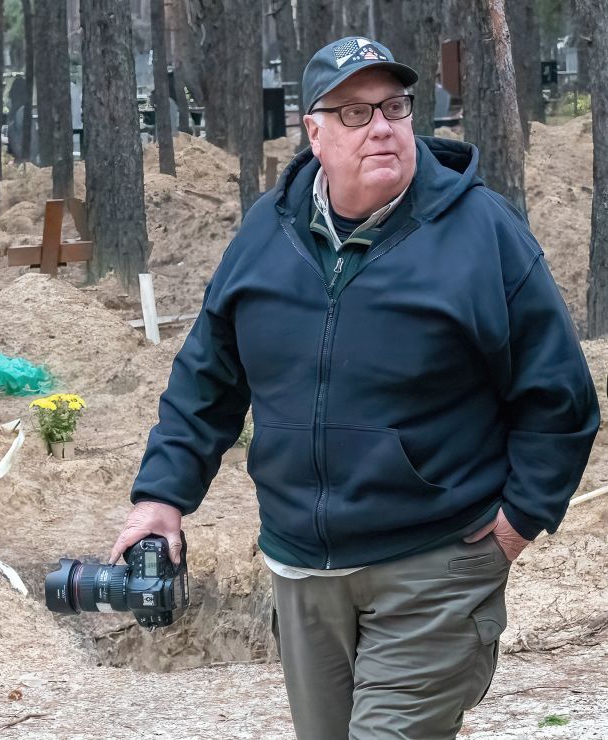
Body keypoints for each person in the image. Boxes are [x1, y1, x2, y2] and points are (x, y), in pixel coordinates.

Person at [109, 37, 599, 739]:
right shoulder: (264, 234)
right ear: (313, 131)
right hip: (302, 572)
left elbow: (559, 394)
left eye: (395, 107)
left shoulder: (483, 233)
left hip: (433, 566)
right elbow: (206, 380)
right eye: (355, 112)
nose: (381, 127)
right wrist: (161, 498)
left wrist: (517, 524)